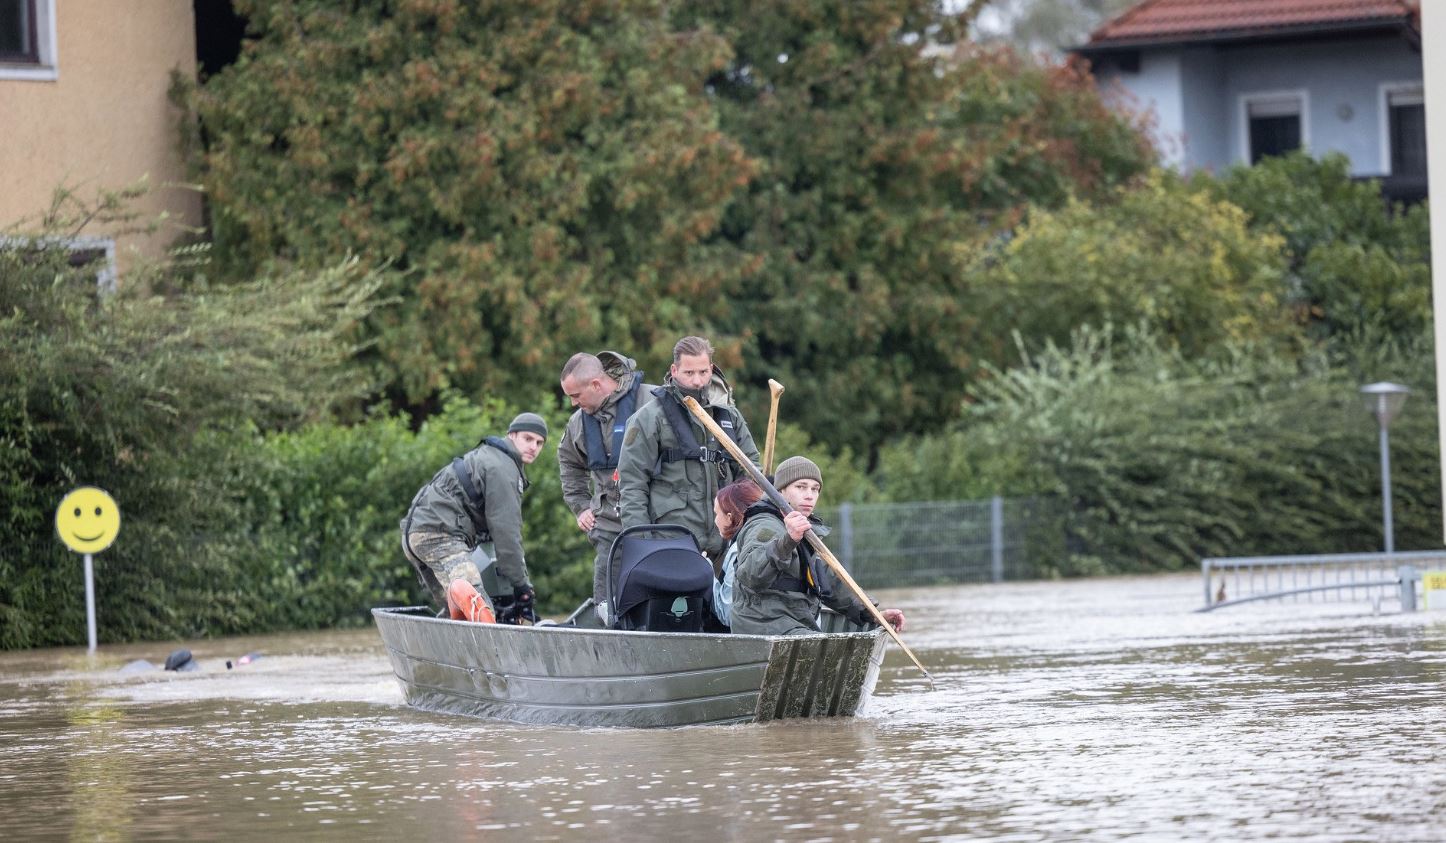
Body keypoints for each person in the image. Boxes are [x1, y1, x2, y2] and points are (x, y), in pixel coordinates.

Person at [617, 336, 761, 562]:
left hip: (726, 543)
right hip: (670, 543)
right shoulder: (649, 418)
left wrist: (750, 530)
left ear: (711, 369)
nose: (697, 381)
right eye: (689, 373)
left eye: (703, 372)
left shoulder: (728, 416)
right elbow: (632, 485)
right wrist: (642, 544)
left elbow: (752, 475)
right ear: (674, 370)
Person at [727, 457, 906, 636]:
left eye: (815, 489)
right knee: (823, 647)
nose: (809, 495)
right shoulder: (764, 525)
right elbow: (751, 575)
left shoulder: (804, 529)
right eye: (801, 487)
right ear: (781, 490)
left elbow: (828, 582)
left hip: (795, 622)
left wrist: (873, 614)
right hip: (763, 623)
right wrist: (787, 541)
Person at [400, 412, 548, 623]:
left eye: (540, 442)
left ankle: (446, 648)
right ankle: (491, 652)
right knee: (480, 609)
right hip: (440, 536)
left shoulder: (486, 455)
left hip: (413, 535)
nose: (534, 447)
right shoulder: (503, 468)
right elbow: (507, 534)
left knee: (455, 612)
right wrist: (522, 587)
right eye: (528, 438)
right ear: (511, 435)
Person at [556, 351, 657, 623]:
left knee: (660, 593)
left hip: (658, 519)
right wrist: (580, 506)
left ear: (596, 385)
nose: (573, 404)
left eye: (576, 396)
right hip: (609, 524)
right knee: (605, 600)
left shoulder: (652, 400)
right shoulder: (579, 423)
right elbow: (568, 461)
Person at [710, 478, 767, 628]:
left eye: (717, 514)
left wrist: (706, 572)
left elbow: (727, 613)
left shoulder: (738, 550)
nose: (715, 520)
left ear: (729, 517)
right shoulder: (774, 536)